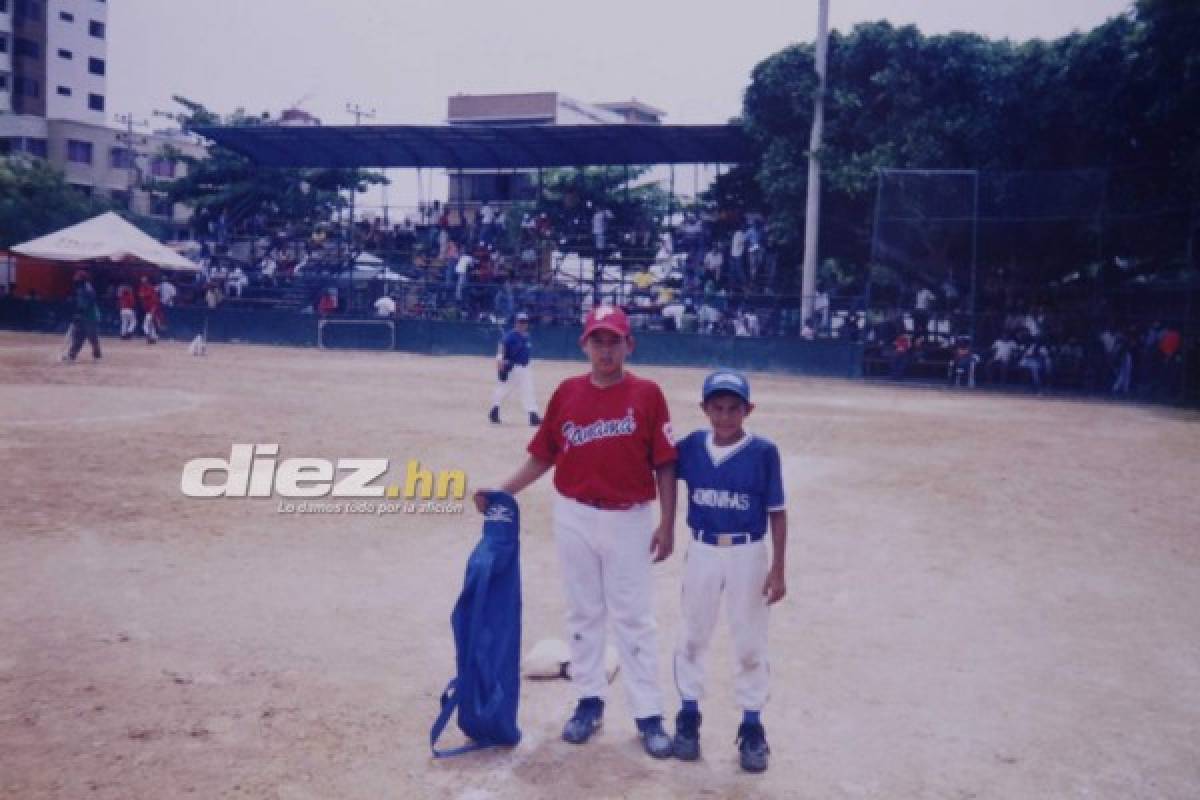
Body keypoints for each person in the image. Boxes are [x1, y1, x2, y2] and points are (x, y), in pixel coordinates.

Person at [472, 305, 678, 759]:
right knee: (584, 613)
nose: (606, 349)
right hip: (575, 514)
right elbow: (544, 456)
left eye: (615, 340)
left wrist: (667, 522)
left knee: (634, 617)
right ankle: (589, 701)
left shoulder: (647, 393)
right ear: (584, 344)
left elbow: (665, 461)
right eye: (598, 340)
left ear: (630, 345)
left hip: (629, 516)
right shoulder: (567, 392)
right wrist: (501, 490)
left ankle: (648, 714)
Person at [669, 370, 786, 773]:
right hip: (702, 547)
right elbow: (660, 466)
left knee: (750, 642)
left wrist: (779, 568)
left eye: (733, 408)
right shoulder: (691, 447)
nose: (724, 416)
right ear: (704, 409)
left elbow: (777, 512)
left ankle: (752, 726)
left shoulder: (763, 452)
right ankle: (688, 716)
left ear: (747, 410)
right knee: (692, 635)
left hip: (748, 551)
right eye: (716, 408)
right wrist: (664, 524)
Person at [488, 312, 540, 426]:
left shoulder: (526, 336)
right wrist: (500, 360)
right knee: (505, 389)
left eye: (524, 322)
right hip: (513, 368)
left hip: (525, 368)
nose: (522, 324)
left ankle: (533, 415)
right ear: (516, 323)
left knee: (528, 390)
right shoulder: (510, 336)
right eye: (520, 322)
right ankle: (494, 409)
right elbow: (502, 346)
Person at [65, 270, 103, 361]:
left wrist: (80, 312)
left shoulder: (87, 288)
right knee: (78, 335)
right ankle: (71, 355)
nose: (75, 278)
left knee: (92, 337)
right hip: (82, 315)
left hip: (91, 316)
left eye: (77, 277)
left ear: (82, 278)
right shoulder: (80, 288)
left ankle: (97, 355)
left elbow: (89, 302)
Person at [137, 276, 160, 344]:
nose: (143, 282)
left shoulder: (149, 288)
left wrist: (153, 311)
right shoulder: (144, 288)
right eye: (142, 281)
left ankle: (150, 337)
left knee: (146, 325)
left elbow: (154, 301)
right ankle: (154, 338)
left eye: (144, 281)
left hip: (152, 310)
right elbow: (141, 295)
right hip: (149, 310)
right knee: (151, 325)